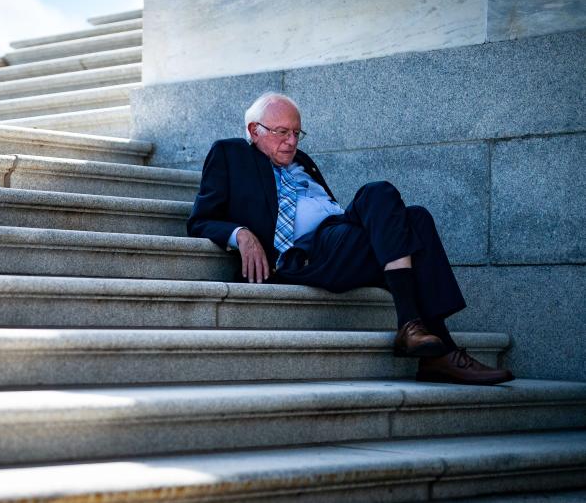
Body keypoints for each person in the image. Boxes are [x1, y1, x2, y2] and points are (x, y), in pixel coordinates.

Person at [186, 92, 513, 385]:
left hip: (340, 236)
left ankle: (431, 348)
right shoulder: (230, 154)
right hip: (307, 253)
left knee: (417, 218)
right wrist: (240, 233)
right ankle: (426, 336)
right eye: (282, 132)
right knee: (381, 194)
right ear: (255, 130)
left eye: (296, 133)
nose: (291, 141)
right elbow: (201, 219)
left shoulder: (303, 162)